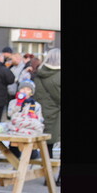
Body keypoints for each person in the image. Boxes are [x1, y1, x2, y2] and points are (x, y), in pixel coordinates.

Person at [33, 48, 61, 184]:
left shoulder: (39, 74)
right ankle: (59, 178)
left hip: (43, 113)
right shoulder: (59, 75)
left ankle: (47, 178)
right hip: (57, 114)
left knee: (47, 146)